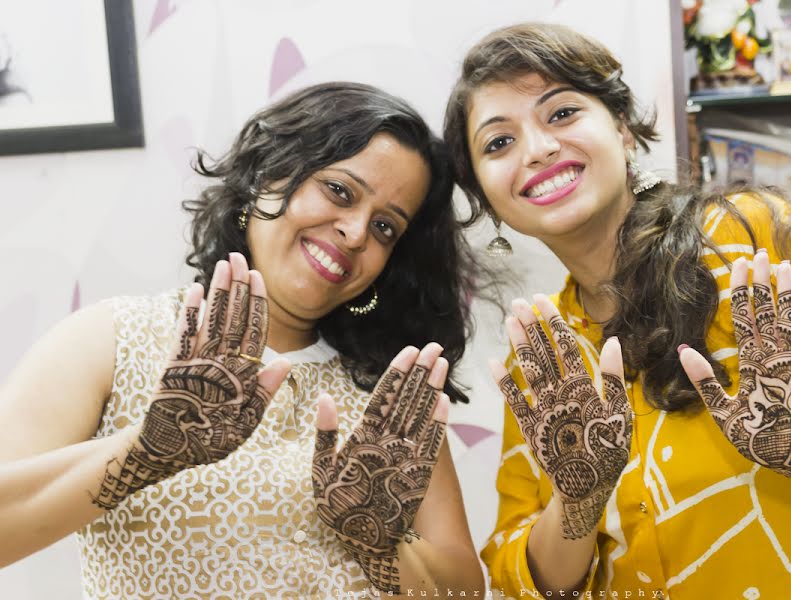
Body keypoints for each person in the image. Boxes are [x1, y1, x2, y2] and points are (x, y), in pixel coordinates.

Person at [443, 23, 791, 598]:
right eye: (498, 142)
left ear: (624, 130)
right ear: (487, 198)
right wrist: (578, 504)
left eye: (560, 113)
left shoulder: (757, 246)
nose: (536, 150)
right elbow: (523, 574)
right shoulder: (544, 356)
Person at [0, 82, 484, 598]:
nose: (357, 232)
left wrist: (381, 545)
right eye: (340, 191)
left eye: (386, 227)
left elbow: (464, 592)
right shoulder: (113, 340)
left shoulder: (389, 398)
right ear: (264, 175)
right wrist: (144, 453)